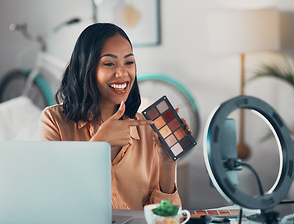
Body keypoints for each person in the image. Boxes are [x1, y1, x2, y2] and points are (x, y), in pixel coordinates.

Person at [39, 23, 185, 210]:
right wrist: (100, 143)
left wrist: (167, 164)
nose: (122, 73)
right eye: (109, 63)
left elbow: (162, 219)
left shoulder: (147, 128)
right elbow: (52, 199)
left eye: (129, 62)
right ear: (86, 68)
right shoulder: (54, 121)